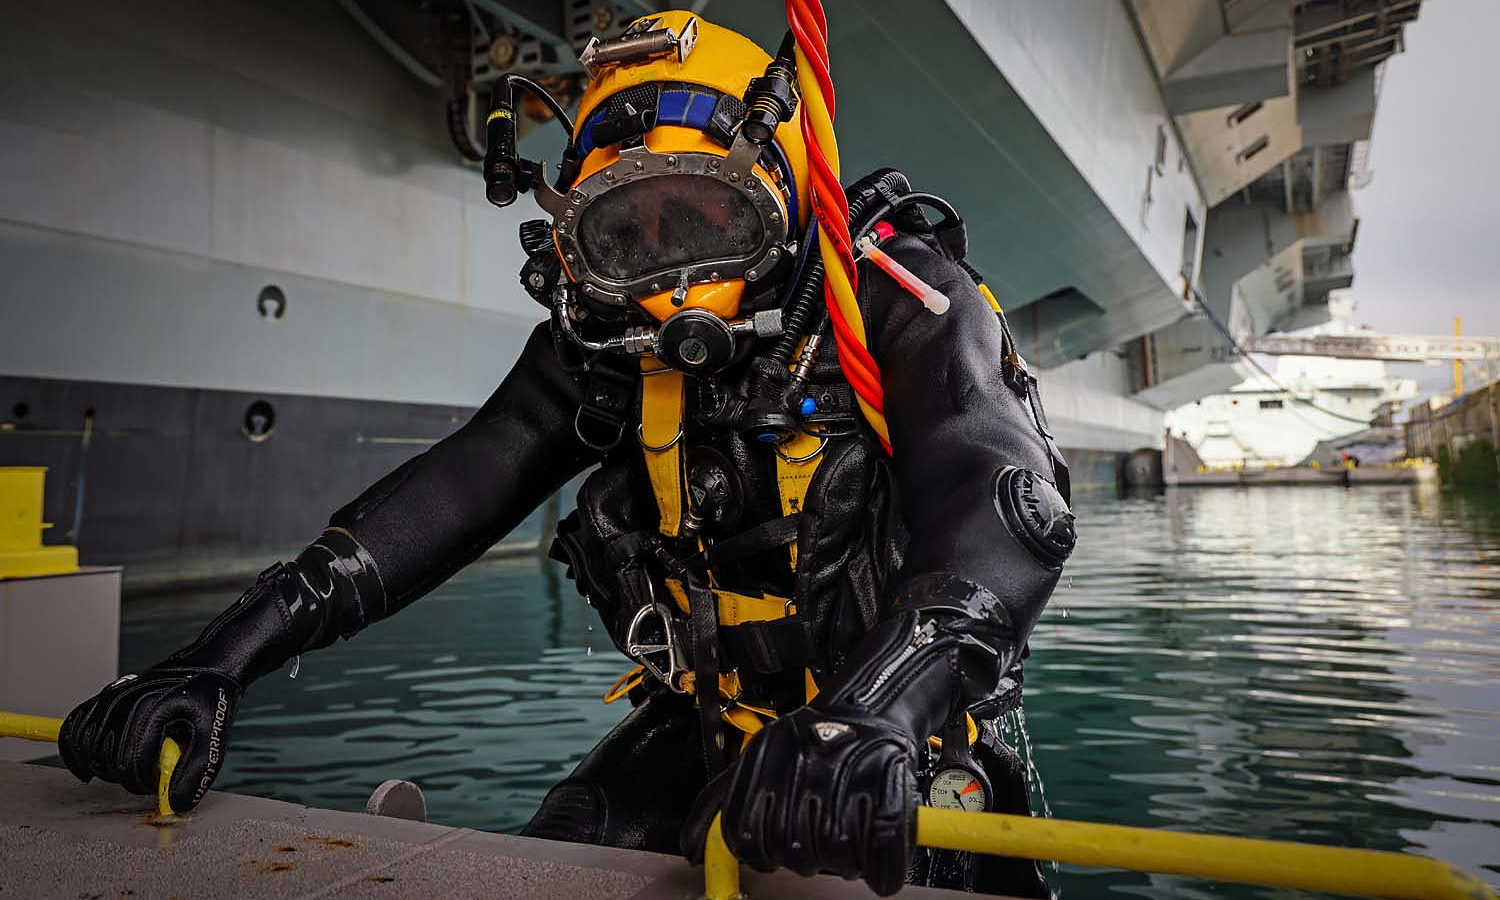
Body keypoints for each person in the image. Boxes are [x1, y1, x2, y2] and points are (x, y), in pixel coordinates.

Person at [57, 11, 1075, 897]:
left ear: (778, 189)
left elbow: (1010, 511)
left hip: (904, 738)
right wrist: (220, 660)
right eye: (631, 238)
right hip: (715, 727)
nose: (672, 287)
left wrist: (877, 715)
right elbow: (444, 497)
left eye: (710, 221)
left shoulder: (898, 298)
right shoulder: (600, 344)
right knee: (558, 853)